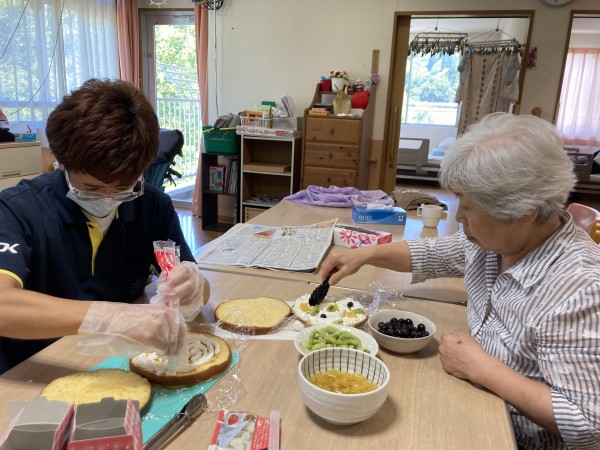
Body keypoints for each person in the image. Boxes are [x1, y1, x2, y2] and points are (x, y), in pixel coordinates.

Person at [320, 113, 600, 450]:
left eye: (467, 208)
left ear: (525, 212)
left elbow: (589, 425)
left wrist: (483, 369)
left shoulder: (579, 288)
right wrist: (363, 255)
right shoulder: (497, 241)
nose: (458, 217)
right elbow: (431, 253)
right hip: (474, 399)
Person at [0, 78, 206, 374]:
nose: (108, 198)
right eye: (91, 188)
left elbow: (185, 276)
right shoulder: (17, 210)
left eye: (123, 188)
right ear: (61, 163)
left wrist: (193, 286)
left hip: (115, 364)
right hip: (33, 368)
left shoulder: (151, 206)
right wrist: (109, 318)